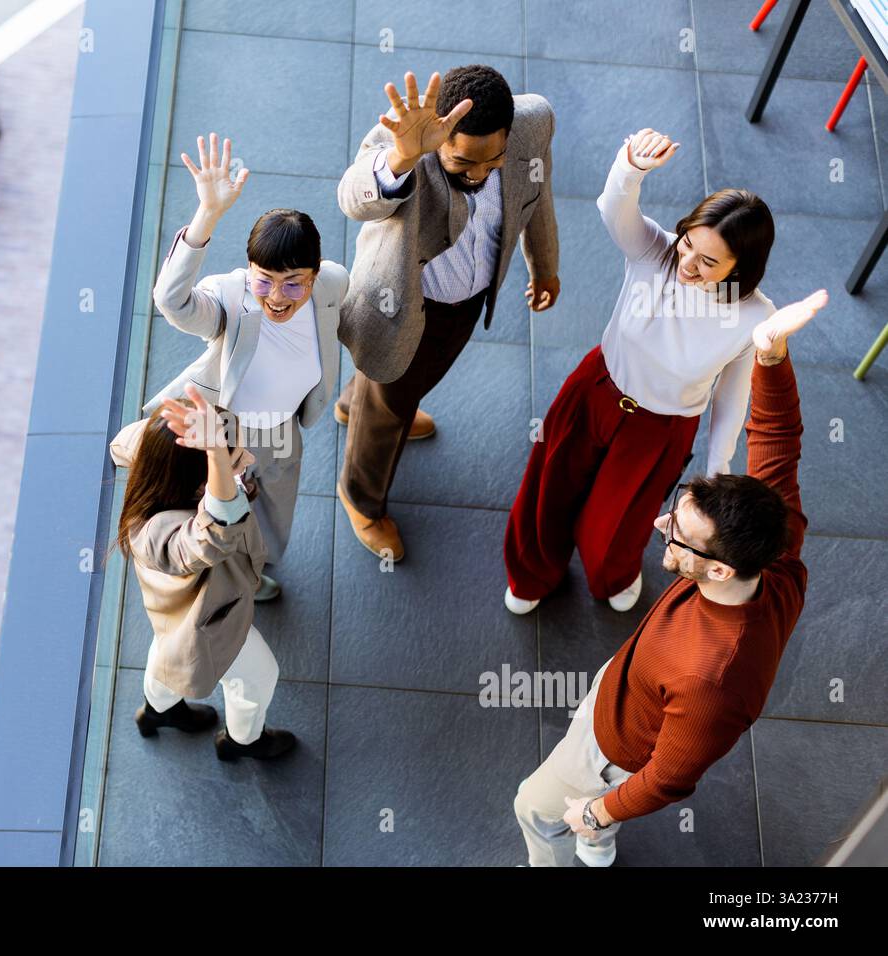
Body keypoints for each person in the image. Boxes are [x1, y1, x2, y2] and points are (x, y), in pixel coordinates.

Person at [512, 290, 824, 866]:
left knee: (533, 806)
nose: (659, 523)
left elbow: (668, 779)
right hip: (629, 688)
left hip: (615, 749)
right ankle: (598, 846)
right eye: (676, 510)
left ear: (719, 568)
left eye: (676, 533)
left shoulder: (714, 681)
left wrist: (597, 811)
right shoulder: (774, 543)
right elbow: (780, 443)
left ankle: (578, 843)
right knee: (585, 787)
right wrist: (771, 356)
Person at [504, 128, 778, 614]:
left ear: (740, 267)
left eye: (709, 260)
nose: (688, 262)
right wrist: (631, 166)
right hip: (597, 390)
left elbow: (734, 394)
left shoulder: (756, 316)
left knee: (621, 519)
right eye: (689, 243)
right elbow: (614, 207)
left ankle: (611, 574)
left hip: (663, 426)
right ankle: (532, 573)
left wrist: (718, 468)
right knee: (549, 486)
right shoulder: (655, 250)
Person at [333, 64, 560, 560]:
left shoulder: (534, 121)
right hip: (402, 302)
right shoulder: (406, 140)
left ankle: (359, 400)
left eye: (492, 160)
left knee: (397, 386)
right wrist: (400, 156)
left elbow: (536, 195)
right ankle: (361, 500)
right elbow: (353, 198)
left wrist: (545, 266)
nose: (478, 174)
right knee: (389, 408)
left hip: (463, 303)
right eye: (462, 163)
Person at [148, 133, 350, 601]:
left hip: (281, 430)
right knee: (214, 506)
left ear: (316, 274)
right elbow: (172, 302)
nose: (278, 297)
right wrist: (208, 215)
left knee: (275, 508)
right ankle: (219, 576)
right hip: (221, 429)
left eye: (293, 284)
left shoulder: (333, 284)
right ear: (249, 271)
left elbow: (345, 322)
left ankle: (255, 569)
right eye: (265, 282)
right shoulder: (231, 298)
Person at [109, 383, 296, 761]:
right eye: (232, 458)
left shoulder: (153, 452)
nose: (245, 456)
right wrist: (216, 453)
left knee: (167, 650)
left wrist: (203, 430)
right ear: (199, 478)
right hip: (213, 621)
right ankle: (243, 741)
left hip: (177, 612)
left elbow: (122, 443)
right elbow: (217, 531)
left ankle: (158, 712)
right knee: (257, 677)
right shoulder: (166, 537)